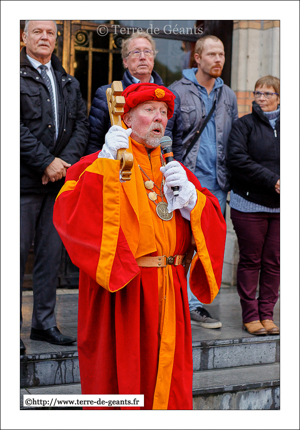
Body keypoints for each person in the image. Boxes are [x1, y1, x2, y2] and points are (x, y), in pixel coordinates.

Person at [53, 83, 226, 410]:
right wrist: (106, 165)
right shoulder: (101, 162)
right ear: (127, 118)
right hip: (126, 290)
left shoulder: (174, 167)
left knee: (169, 381)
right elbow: (69, 214)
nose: (159, 118)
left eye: (163, 113)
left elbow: (213, 216)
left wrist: (192, 201)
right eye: (149, 111)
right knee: (125, 377)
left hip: (169, 291)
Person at [20, 20, 90, 354]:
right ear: (24, 37)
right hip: (21, 183)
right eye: (38, 32)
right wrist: (45, 161)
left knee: (50, 256)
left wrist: (62, 164)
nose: (45, 37)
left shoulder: (68, 81)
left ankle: (44, 324)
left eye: (50, 32)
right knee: (15, 258)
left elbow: (82, 126)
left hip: (57, 183)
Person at [168, 35, 238, 329]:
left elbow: (233, 139)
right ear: (197, 58)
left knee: (206, 244)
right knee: (182, 244)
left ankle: (196, 300)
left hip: (218, 185)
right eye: (212, 54)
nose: (218, 59)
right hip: (187, 182)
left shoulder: (229, 95)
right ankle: (183, 303)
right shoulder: (176, 91)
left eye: (221, 54)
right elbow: (166, 137)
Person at [227, 75, 280, 336]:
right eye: (257, 93)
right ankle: (250, 316)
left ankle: (267, 315)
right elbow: (237, 159)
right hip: (248, 204)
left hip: (281, 209)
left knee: (274, 262)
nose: (260, 98)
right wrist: (273, 180)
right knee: (250, 261)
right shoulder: (243, 125)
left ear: (279, 98)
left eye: (267, 94)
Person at [86, 30, 183, 160]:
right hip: (120, 172)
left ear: (153, 58)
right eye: (136, 52)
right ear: (125, 61)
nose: (142, 57)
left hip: (159, 174)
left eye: (147, 51)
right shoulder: (107, 94)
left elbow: (176, 145)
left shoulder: (171, 97)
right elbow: (94, 143)